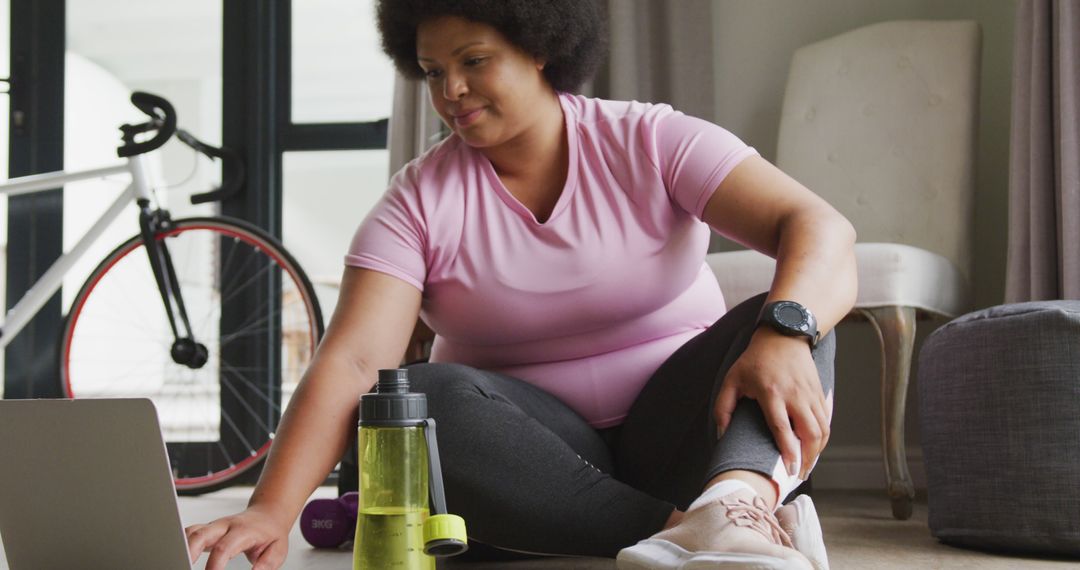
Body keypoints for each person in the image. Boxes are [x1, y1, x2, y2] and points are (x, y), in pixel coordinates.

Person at [184, 1, 857, 568]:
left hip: (690, 436)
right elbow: (356, 360)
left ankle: (732, 509)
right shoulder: (416, 203)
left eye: (473, 61)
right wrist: (271, 508)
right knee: (419, 394)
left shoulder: (650, 140)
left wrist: (785, 330)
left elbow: (818, 226)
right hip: (532, 471)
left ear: (539, 48)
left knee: (788, 320)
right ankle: (697, 534)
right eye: (432, 72)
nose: (451, 91)